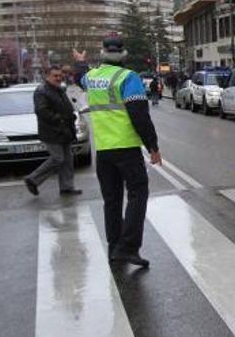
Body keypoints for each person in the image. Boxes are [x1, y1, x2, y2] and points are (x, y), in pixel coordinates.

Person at [73, 37, 160, 268]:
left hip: (103, 150)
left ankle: (114, 248)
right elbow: (140, 115)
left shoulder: (91, 77)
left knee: (111, 200)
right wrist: (152, 146)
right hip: (126, 147)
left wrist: (80, 62)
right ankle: (129, 247)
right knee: (138, 193)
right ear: (123, 55)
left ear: (102, 54)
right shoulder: (127, 77)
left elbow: (78, 79)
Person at [23, 66, 81, 197]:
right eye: (55, 76)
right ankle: (32, 179)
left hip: (65, 130)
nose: (59, 78)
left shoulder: (59, 89)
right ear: (47, 76)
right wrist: (59, 119)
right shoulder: (41, 91)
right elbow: (42, 111)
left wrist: (71, 115)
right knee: (58, 158)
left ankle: (67, 187)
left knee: (67, 160)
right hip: (52, 131)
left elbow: (66, 105)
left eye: (60, 76)